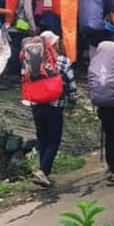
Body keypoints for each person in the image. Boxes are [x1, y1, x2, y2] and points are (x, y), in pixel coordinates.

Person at [28, 31, 77, 187]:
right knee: (54, 139)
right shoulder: (62, 61)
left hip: (36, 104)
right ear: (54, 44)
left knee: (42, 138)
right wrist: (71, 104)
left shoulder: (31, 61)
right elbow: (71, 86)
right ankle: (42, 171)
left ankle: (44, 172)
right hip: (55, 106)